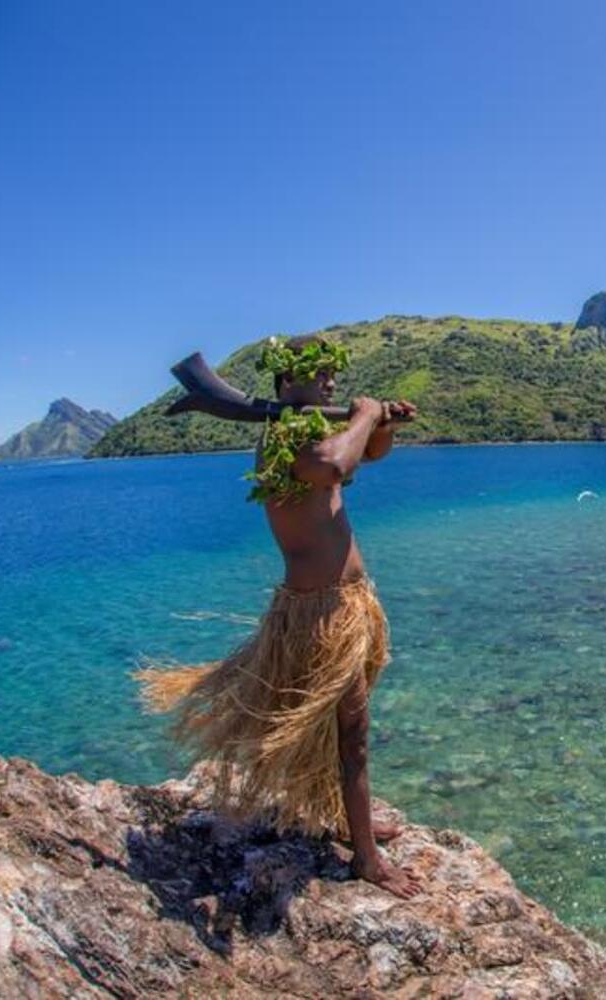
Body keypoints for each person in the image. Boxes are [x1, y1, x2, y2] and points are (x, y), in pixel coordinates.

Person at [136, 334, 423, 898]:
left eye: (333, 374)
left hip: (347, 607)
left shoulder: (311, 431)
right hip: (318, 615)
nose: (331, 383)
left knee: (337, 730)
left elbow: (366, 453)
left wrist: (382, 427)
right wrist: (366, 414)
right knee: (354, 735)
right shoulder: (285, 442)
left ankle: (347, 821)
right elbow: (339, 463)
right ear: (285, 382)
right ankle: (366, 858)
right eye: (320, 373)